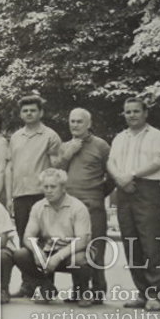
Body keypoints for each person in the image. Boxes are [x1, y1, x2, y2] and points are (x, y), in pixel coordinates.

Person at [107, 97, 160, 311]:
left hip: (147, 189)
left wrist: (131, 175)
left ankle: (154, 295)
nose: (132, 115)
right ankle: (141, 293)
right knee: (131, 241)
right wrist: (120, 179)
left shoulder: (156, 135)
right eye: (128, 111)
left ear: (145, 113)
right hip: (123, 189)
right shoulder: (119, 138)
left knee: (150, 242)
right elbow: (111, 162)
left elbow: (156, 162)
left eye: (136, 111)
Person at [53, 108, 112, 303]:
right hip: (70, 208)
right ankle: (78, 291)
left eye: (79, 121)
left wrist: (98, 193)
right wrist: (68, 154)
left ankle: (97, 291)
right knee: (74, 249)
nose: (75, 125)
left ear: (88, 124)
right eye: (72, 121)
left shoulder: (101, 146)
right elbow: (56, 175)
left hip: (92, 204)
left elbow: (111, 174)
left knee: (95, 247)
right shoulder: (65, 146)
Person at [6, 94, 62, 298]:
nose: (29, 113)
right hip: (21, 195)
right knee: (25, 241)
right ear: (21, 114)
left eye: (33, 110)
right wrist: (10, 196)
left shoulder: (51, 136)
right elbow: (11, 167)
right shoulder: (15, 137)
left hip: (43, 196)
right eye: (25, 110)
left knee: (45, 242)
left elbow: (57, 166)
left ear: (41, 113)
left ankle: (47, 284)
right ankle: (28, 284)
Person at [12, 168, 93, 307]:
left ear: (63, 188)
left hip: (71, 251)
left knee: (80, 260)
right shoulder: (38, 207)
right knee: (21, 254)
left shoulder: (78, 207)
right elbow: (27, 236)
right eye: (46, 186)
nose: (49, 190)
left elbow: (82, 240)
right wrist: (37, 252)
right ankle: (46, 287)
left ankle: (83, 291)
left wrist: (59, 256)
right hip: (48, 251)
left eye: (53, 187)